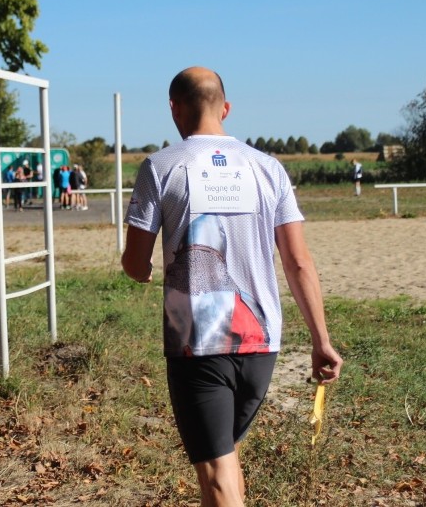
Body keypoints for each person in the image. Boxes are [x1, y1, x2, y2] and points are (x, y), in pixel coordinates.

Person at [121, 67, 343, 507]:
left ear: (173, 108)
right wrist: (321, 340)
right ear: (225, 108)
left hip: (198, 345)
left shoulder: (161, 166)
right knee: (226, 457)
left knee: (218, 477)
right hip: (262, 342)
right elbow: (298, 260)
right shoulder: (269, 168)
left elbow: (134, 260)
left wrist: (142, 270)